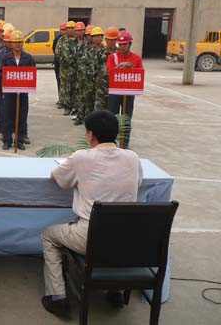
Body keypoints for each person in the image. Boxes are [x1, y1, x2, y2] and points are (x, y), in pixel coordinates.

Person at [40, 110, 143, 318]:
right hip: (127, 238)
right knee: (113, 233)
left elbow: (57, 178)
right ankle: (115, 291)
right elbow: (138, 183)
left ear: (90, 134)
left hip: (90, 236)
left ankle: (57, 296)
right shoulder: (132, 157)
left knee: (49, 236)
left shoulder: (81, 157)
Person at [0, 30, 36, 150]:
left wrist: (24, 82)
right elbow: (0, 72)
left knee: (22, 116)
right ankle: (7, 140)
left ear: (23, 43)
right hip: (9, 93)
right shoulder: (5, 58)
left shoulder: (28, 58)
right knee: (8, 116)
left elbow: (32, 73)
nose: (17, 44)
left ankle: (19, 141)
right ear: (11, 43)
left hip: (23, 93)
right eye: (15, 42)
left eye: (20, 42)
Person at [106, 30, 144, 149]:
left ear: (130, 44)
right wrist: (119, 67)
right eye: (120, 44)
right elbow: (109, 71)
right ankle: (112, 142)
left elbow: (140, 73)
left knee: (126, 118)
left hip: (129, 92)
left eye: (125, 44)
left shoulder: (136, 58)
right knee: (112, 117)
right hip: (115, 91)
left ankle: (124, 143)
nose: (122, 47)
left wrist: (130, 67)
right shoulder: (113, 57)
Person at [53, 23, 66, 108]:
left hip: (67, 66)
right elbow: (54, 49)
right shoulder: (57, 39)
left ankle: (66, 100)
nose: (63, 31)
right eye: (62, 30)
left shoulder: (71, 39)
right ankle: (60, 98)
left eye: (64, 29)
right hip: (58, 63)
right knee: (59, 81)